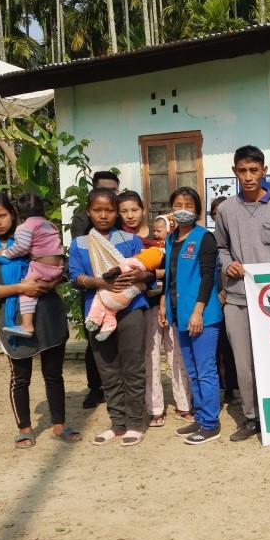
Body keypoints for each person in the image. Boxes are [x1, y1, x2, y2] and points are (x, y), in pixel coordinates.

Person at [0, 193, 81, 448]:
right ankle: (25, 428)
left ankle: (59, 426)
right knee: (21, 378)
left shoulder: (31, 232)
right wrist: (23, 288)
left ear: (13, 214)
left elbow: (61, 264)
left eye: (2, 215)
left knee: (54, 374)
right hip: (13, 318)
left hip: (49, 312)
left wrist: (51, 282)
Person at [215, 145, 270, 441]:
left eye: (254, 171)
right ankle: (252, 417)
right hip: (238, 299)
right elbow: (221, 247)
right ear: (234, 172)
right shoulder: (226, 209)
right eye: (243, 171)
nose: (249, 177)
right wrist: (227, 264)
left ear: (264, 172)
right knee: (244, 362)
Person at [70, 188, 154, 446]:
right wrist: (99, 282)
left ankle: (135, 423)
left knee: (133, 366)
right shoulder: (79, 244)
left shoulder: (129, 240)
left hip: (131, 308)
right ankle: (117, 423)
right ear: (89, 212)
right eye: (97, 210)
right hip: (96, 309)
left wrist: (140, 276)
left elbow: (147, 271)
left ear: (116, 211)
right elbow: (75, 278)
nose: (103, 215)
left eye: (109, 210)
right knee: (107, 369)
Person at [160, 187, 223, 445]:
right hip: (180, 314)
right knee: (193, 371)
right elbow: (170, 276)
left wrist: (198, 311)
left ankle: (211, 424)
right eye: (178, 204)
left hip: (202, 315)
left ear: (197, 210)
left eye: (188, 205)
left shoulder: (204, 238)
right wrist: (164, 303)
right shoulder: (170, 238)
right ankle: (201, 416)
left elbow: (209, 277)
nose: (182, 209)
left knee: (206, 370)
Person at [70, 170, 119, 410]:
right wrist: (98, 280)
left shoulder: (120, 220)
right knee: (94, 342)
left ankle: (119, 390)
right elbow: (85, 256)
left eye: (113, 191)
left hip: (122, 290)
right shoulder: (82, 222)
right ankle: (95, 388)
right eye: (104, 190)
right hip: (92, 291)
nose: (108, 196)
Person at [0, 193, 65, 338]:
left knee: (26, 290)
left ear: (18, 214)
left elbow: (22, 247)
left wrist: (5, 253)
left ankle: (27, 325)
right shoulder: (49, 224)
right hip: (59, 267)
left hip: (42, 266)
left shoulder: (25, 227)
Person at [145, 215, 193, 427]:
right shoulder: (147, 249)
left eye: (160, 230)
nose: (156, 233)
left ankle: (184, 405)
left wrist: (158, 273)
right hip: (149, 306)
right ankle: (155, 409)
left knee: (177, 356)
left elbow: (180, 273)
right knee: (151, 356)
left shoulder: (178, 249)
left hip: (174, 307)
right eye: (154, 230)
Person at [84, 245, 164, 340]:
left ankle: (94, 319)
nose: (138, 253)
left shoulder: (133, 263)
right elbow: (143, 286)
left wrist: (107, 276)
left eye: (140, 253)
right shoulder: (144, 271)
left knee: (98, 302)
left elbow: (118, 270)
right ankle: (108, 328)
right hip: (123, 301)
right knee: (111, 313)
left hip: (110, 293)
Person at [208, 197, 238, 403]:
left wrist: (225, 293)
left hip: (232, 298)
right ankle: (218, 387)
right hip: (211, 301)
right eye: (215, 213)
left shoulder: (235, 240)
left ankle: (232, 388)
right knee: (215, 348)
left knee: (230, 348)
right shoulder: (208, 239)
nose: (219, 216)